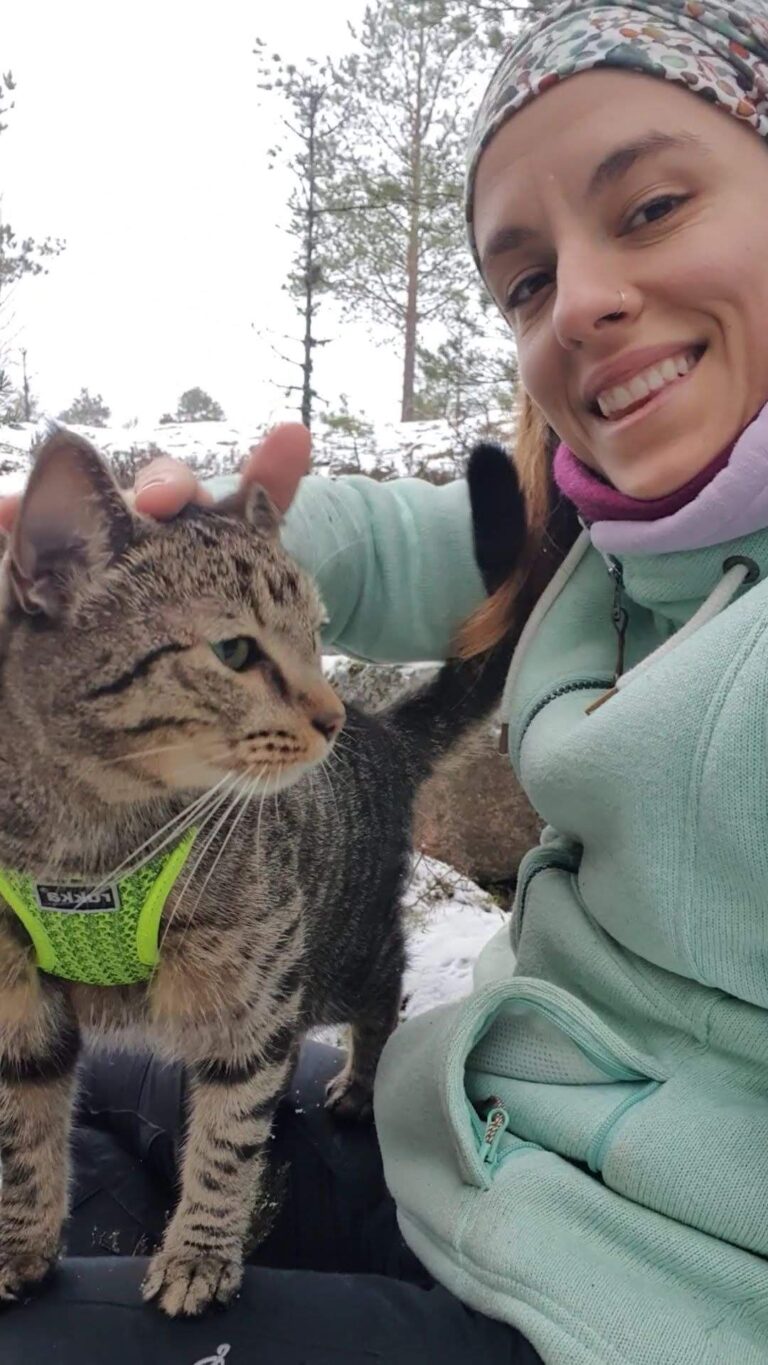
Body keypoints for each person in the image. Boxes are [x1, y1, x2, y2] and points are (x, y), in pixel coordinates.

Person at [5, 0, 768, 1360]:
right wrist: (181, 549)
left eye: (651, 206)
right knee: (88, 1104)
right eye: (525, 281)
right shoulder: (620, 537)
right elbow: (407, 538)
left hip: (636, 1301)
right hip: (479, 1149)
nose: (582, 300)